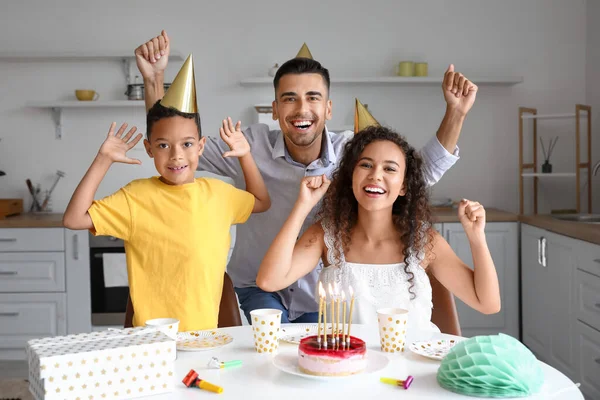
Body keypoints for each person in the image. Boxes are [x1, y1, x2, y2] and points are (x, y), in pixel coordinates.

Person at [135, 30, 478, 324]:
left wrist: (457, 114)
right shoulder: (248, 146)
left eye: (313, 98)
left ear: (328, 109)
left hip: (322, 293)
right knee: (268, 366)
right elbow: (175, 147)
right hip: (258, 287)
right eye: (290, 99)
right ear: (275, 109)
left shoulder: (354, 155)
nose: (302, 109)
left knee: (320, 366)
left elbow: (418, 173)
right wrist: (152, 81)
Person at [62, 56, 271, 331]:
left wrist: (244, 155)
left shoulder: (220, 194)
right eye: (163, 145)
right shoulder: (136, 196)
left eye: (187, 144)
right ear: (149, 149)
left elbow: (261, 202)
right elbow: (74, 219)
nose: (176, 156)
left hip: (205, 337)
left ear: (201, 147)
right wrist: (104, 159)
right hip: (151, 340)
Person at [257, 125, 500, 333]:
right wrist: (302, 206)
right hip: (347, 372)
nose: (375, 176)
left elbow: (488, 304)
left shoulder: (424, 240)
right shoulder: (327, 234)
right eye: (366, 165)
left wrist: (476, 237)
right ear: (351, 176)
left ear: (404, 186)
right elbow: (269, 280)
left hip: (410, 376)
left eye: (390, 169)